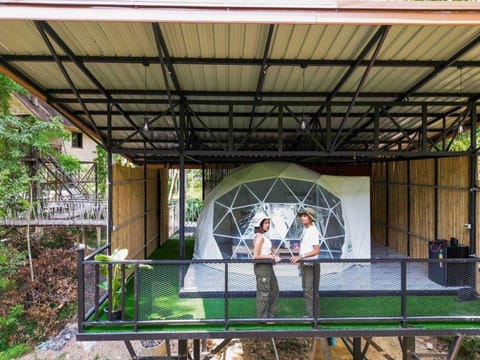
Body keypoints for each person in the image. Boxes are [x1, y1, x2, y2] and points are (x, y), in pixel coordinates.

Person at [290, 207, 320, 318]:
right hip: (306, 264)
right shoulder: (306, 230)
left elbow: (316, 250)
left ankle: (311, 316)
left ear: (311, 218)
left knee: (309, 290)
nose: (302, 218)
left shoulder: (313, 230)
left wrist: (301, 256)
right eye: (301, 216)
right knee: (310, 290)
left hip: (310, 264)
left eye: (305, 215)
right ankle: (314, 315)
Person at [252, 212, 281, 320]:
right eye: (265, 223)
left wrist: (273, 255)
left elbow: (267, 251)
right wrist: (271, 257)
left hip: (268, 267)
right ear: (259, 224)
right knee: (264, 292)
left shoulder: (264, 236)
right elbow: (256, 255)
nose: (268, 225)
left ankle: (270, 315)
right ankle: (262, 318)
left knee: (274, 290)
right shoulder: (259, 237)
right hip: (262, 267)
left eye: (268, 223)